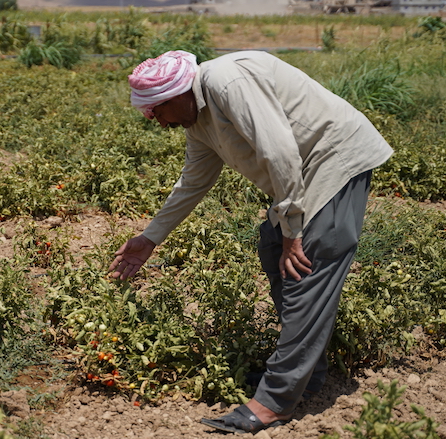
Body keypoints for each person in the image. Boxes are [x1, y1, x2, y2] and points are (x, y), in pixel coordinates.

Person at [108, 50, 393, 434]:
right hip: (301, 172)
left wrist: (294, 231)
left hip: (333, 160)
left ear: (176, 95)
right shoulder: (198, 121)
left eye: (156, 111)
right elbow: (193, 181)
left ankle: (275, 401)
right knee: (274, 249)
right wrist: (150, 238)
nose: (155, 121)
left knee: (307, 260)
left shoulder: (227, 82)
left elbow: (279, 151)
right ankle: (305, 375)